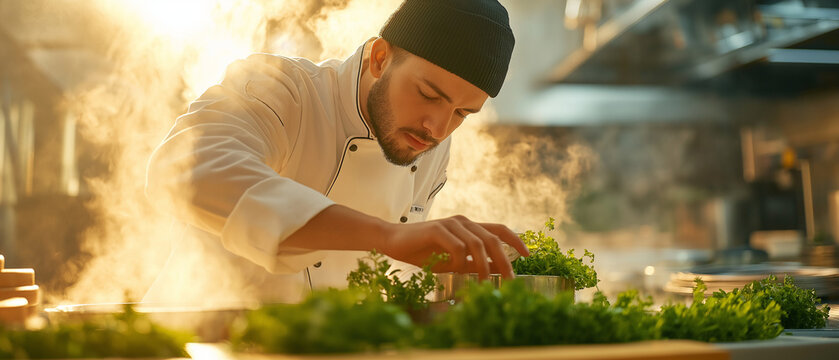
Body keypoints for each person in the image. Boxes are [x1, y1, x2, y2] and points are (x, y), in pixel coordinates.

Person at [143, 0, 528, 305]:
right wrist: (388, 235)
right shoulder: (281, 90)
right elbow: (186, 171)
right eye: (428, 94)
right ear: (380, 58)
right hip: (199, 339)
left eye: (462, 113)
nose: (438, 129)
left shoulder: (427, 145)